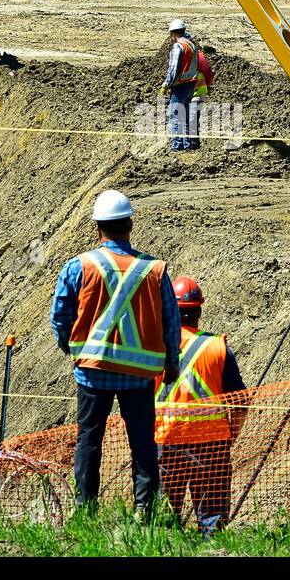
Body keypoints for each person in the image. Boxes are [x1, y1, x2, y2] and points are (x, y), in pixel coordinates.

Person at [50, 189, 181, 518]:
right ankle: (144, 512)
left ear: (98, 228)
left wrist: (74, 349)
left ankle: (85, 512)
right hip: (138, 378)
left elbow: (60, 317)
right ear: (130, 225)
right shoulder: (154, 271)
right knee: (143, 444)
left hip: (92, 373)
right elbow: (170, 323)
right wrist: (171, 365)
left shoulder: (79, 266)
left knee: (89, 441)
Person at [155, 276, 249, 534]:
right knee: (213, 522)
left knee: (162, 523)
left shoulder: (155, 347)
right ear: (198, 310)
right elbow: (240, 402)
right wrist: (232, 435)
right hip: (212, 445)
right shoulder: (217, 348)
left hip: (165, 441)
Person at [161, 19, 198, 152]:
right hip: (190, 85)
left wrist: (166, 85)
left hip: (179, 86)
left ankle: (177, 146)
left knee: (176, 117)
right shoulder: (192, 45)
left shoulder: (178, 47)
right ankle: (187, 144)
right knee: (186, 116)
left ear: (172, 33)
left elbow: (173, 68)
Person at [187, 44, 214, 151]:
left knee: (191, 119)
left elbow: (208, 73)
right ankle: (192, 143)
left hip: (196, 94)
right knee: (190, 119)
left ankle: (193, 145)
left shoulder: (198, 57)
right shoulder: (194, 56)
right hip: (192, 93)